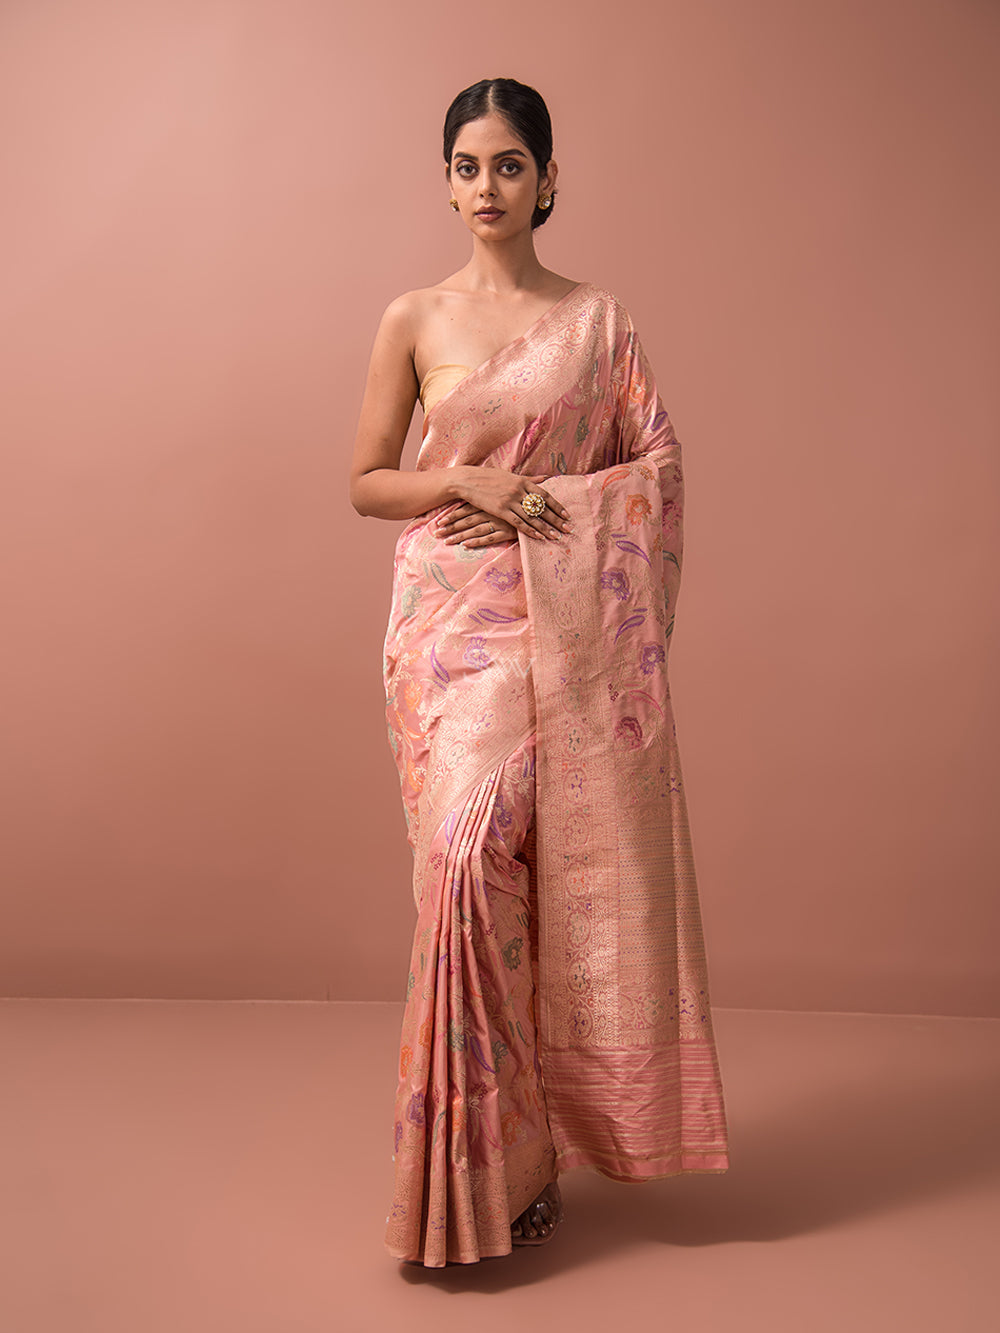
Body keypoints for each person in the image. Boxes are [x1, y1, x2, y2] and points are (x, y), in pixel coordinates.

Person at [349, 76, 730, 1269]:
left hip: (558, 633)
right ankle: (487, 1167)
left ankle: (521, 1158)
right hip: (444, 631)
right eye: (467, 166)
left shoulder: (598, 325)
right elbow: (367, 481)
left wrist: (545, 502)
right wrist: (463, 480)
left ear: (548, 179)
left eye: (509, 165)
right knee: (459, 879)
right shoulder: (414, 317)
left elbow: (656, 472)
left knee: (511, 879)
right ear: (445, 182)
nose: (487, 187)